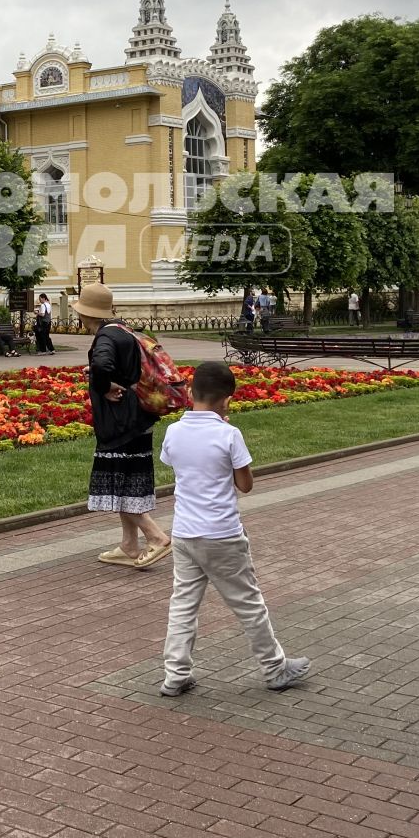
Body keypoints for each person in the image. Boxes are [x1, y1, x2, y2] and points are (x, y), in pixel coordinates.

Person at [158, 361, 311, 697]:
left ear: (190, 392)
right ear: (227, 400)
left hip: (184, 532)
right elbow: (245, 485)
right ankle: (274, 667)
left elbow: (176, 466)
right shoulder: (229, 434)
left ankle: (175, 673)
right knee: (247, 603)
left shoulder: (173, 432)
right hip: (222, 533)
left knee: (183, 603)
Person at [77, 283, 172, 570]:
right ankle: (129, 544)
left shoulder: (105, 336)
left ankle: (156, 537)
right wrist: (97, 372)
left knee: (119, 485)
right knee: (126, 483)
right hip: (138, 416)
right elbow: (118, 367)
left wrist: (103, 385)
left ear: (85, 314)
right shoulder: (123, 330)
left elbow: (105, 365)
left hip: (120, 423)